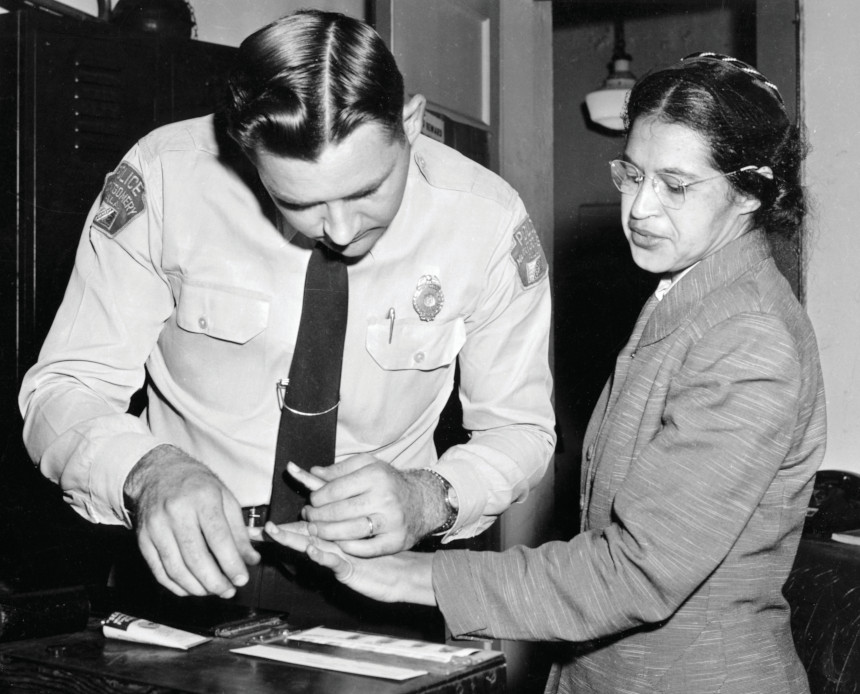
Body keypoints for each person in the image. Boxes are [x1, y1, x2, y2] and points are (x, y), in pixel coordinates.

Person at [269, 52, 826, 693]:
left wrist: (409, 576)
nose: (640, 208)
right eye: (632, 175)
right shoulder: (692, 294)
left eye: (675, 186)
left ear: (750, 191)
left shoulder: (748, 336)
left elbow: (637, 572)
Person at [18, 9, 554, 625]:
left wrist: (430, 495)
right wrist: (148, 472)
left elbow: (522, 430)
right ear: (247, 154)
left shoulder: (486, 221)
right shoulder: (165, 179)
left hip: (384, 582)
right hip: (185, 573)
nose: (343, 230)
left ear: (409, 122)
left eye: (368, 190)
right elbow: (63, 388)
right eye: (299, 202)